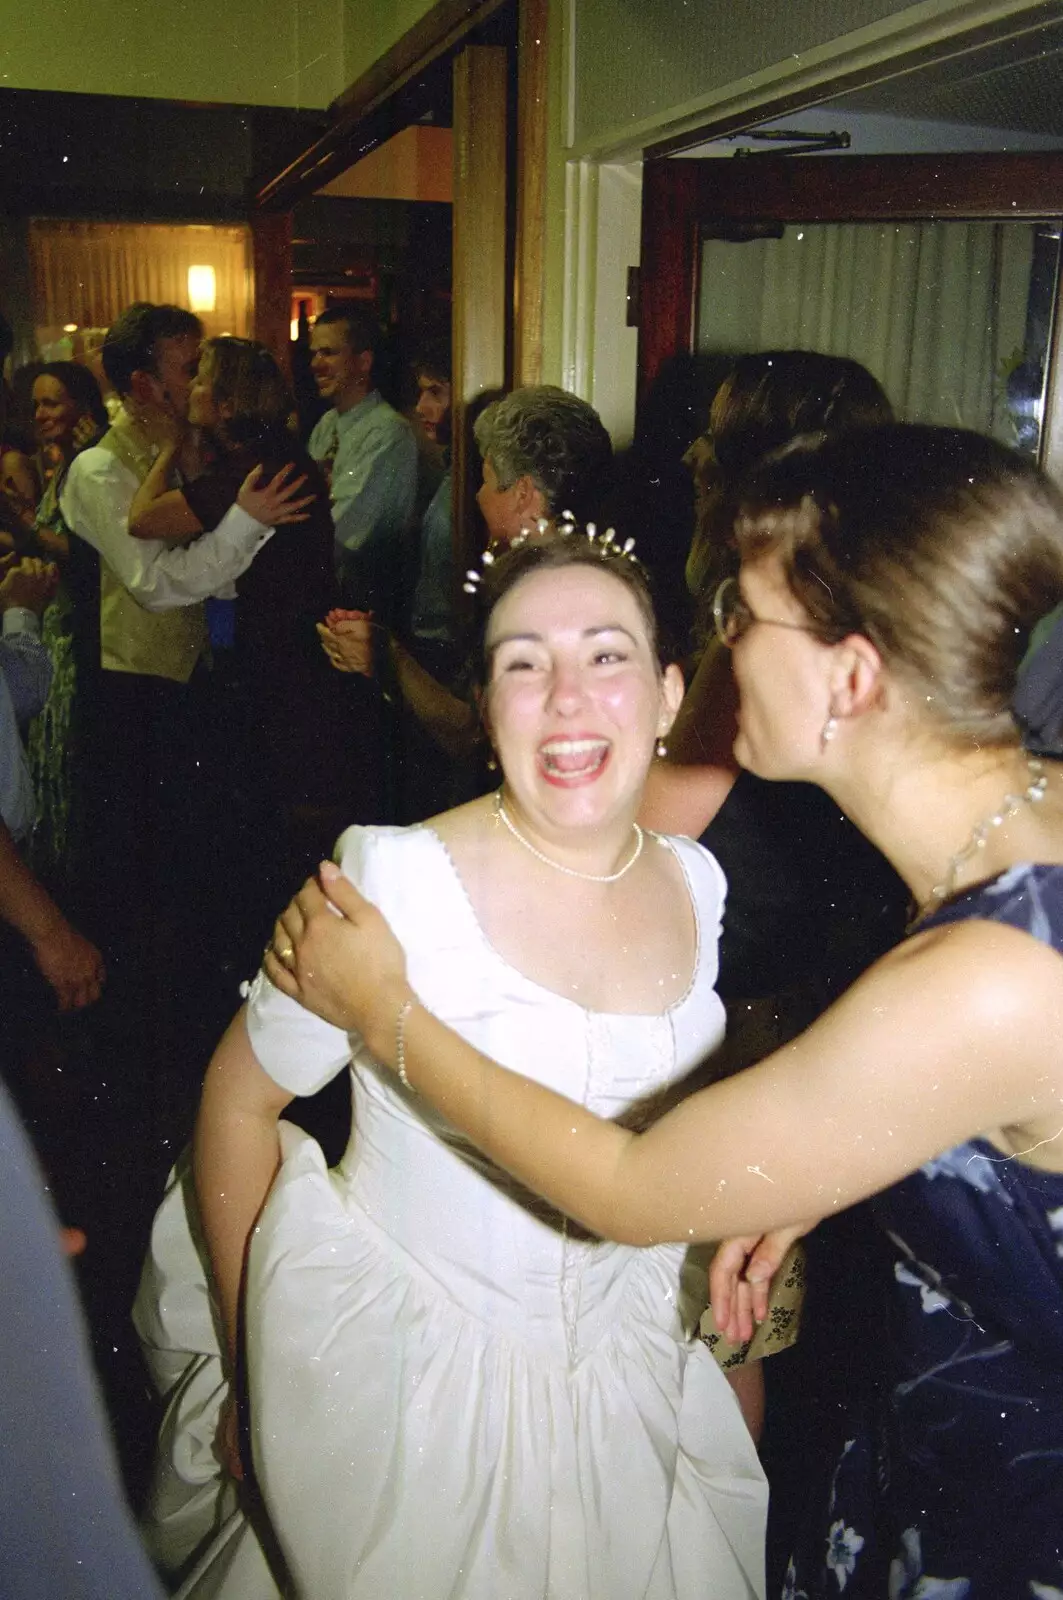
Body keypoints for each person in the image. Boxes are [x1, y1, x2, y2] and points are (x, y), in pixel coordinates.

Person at [271, 425, 1063, 1597]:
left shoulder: (991, 974)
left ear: (850, 677)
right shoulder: (1028, 815)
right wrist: (848, 1163)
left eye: (743, 617)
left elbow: (632, 1197)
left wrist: (387, 1012)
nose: (722, 646)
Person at [136, 533, 768, 1599]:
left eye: (605, 656)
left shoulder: (695, 883)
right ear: (486, 706)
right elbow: (237, 1104)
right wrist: (255, 1375)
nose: (566, 697)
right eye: (524, 663)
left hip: (629, 1387)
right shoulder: (394, 877)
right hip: (407, 1397)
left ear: (667, 696)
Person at [126, 336, 371, 1007]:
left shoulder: (254, 473)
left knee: (280, 828)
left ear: (226, 399)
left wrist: (172, 445)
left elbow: (142, 519)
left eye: (201, 380)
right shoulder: (271, 460)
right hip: (294, 656)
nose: (192, 390)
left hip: (283, 664)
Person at [320, 384, 615, 771]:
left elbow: (471, 737)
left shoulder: (537, 598)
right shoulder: (592, 571)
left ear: (523, 494)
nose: (478, 496)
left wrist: (387, 655)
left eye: (487, 479)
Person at [22, 362, 109, 886]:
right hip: (50, 623)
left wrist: (15, 524)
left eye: (52, 402)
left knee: (62, 753)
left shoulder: (88, 467)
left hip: (75, 628)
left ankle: (64, 875)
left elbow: (82, 556)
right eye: (35, 404)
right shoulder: (62, 465)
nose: (40, 414)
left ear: (82, 405)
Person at [307, 306, 418, 624]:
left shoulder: (388, 432)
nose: (316, 364)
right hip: (326, 605)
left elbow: (341, 532)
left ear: (364, 362)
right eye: (314, 353)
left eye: (328, 353)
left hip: (365, 613)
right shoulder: (326, 425)